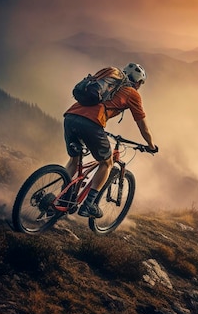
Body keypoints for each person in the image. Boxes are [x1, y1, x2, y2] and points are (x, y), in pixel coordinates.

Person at [63, 63, 158, 218]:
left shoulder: (108, 82)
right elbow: (143, 126)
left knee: (74, 160)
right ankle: (89, 205)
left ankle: (62, 198)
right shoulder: (132, 93)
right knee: (107, 163)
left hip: (71, 116)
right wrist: (151, 145)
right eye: (141, 83)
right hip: (92, 123)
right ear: (138, 82)